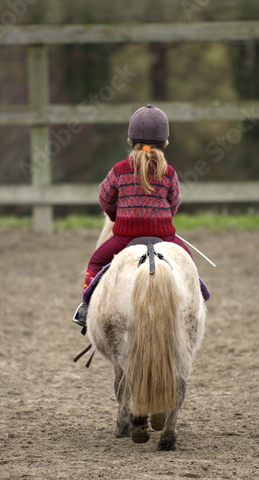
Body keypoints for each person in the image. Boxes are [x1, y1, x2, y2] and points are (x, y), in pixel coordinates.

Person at [74, 104, 197, 327]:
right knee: (188, 264)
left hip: (125, 238)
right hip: (164, 237)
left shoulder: (120, 169)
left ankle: (85, 307)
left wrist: (115, 215)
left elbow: (104, 198)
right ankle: (199, 296)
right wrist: (162, 218)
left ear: (131, 140)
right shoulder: (169, 172)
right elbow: (174, 204)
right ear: (165, 142)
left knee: (95, 262)